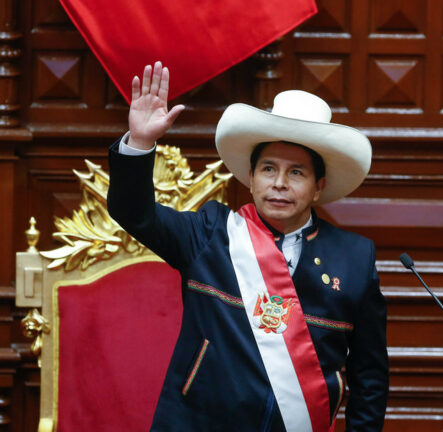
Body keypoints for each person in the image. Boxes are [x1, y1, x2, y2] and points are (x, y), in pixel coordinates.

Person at [107, 61, 388, 431]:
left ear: (319, 187)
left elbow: (369, 377)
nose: (280, 183)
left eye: (297, 172)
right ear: (251, 178)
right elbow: (134, 213)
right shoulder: (210, 233)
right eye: (269, 169)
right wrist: (141, 143)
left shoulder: (354, 258)